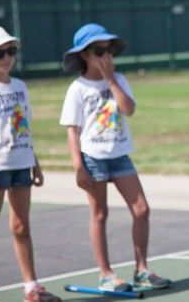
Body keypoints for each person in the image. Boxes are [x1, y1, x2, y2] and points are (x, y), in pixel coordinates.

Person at [59, 23, 170, 292]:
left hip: (120, 155)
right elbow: (72, 132)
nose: (106, 56)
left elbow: (129, 109)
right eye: (99, 51)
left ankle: (142, 270)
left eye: (109, 50)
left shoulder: (119, 80)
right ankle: (106, 274)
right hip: (93, 157)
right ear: (85, 55)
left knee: (141, 209)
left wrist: (110, 79)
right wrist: (78, 167)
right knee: (99, 213)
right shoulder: (78, 89)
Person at [0, 25, 61, 302]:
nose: (7, 57)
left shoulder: (20, 87)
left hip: (22, 165)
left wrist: (36, 163)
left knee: (21, 227)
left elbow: (24, 130)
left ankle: (31, 287)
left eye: (11, 50)